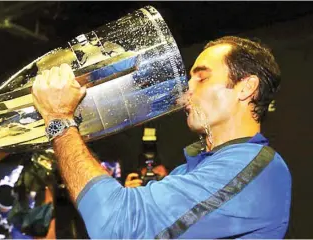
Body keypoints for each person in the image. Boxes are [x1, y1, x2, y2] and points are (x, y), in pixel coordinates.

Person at [31, 36, 291, 238]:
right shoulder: (189, 172)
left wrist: (59, 120)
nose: (186, 89)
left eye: (201, 78)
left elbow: (118, 224)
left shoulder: (259, 168)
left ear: (246, 88)